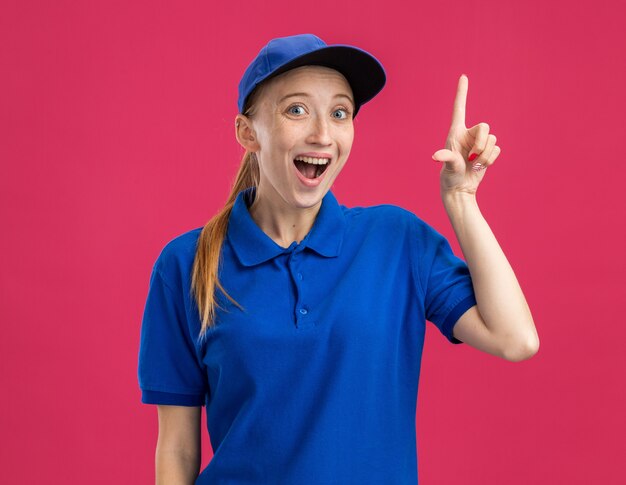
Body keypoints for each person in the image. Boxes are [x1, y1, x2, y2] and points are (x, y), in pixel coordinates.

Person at [137, 33, 539, 484]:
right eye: (296, 110)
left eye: (340, 113)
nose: (322, 134)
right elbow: (176, 447)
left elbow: (515, 339)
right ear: (248, 133)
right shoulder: (186, 264)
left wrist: (462, 200)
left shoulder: (396, 241)